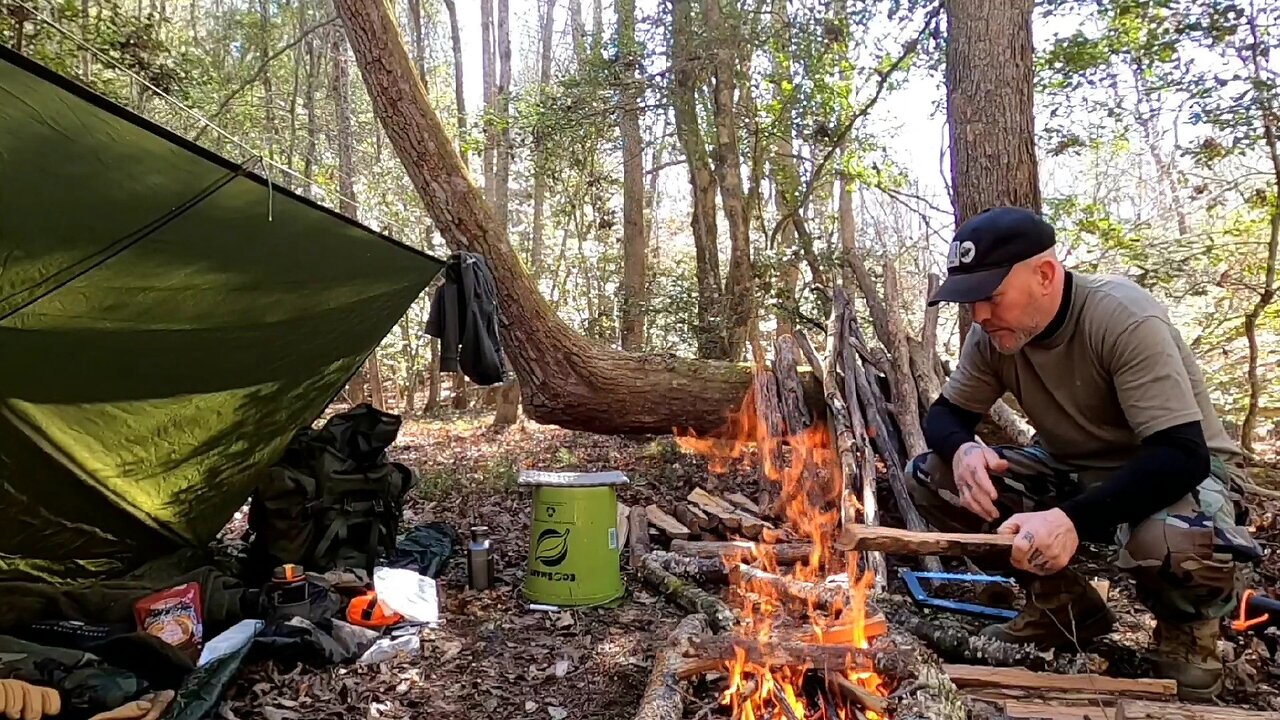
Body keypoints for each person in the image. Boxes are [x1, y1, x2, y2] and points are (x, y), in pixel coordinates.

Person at [909, 206, 1261, 701]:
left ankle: (1187, 634)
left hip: (1175, 474)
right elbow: (944, 415)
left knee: (1171, 539)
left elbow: (1181, 455)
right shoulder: (991, 338)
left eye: (990, 297)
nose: (980, 315)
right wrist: (963, 447)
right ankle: (1060, 605)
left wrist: (1071, 521)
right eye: (970, 302)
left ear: (1046, 275)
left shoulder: (1122, 318)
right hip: (1074, 469)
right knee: (934, 474)